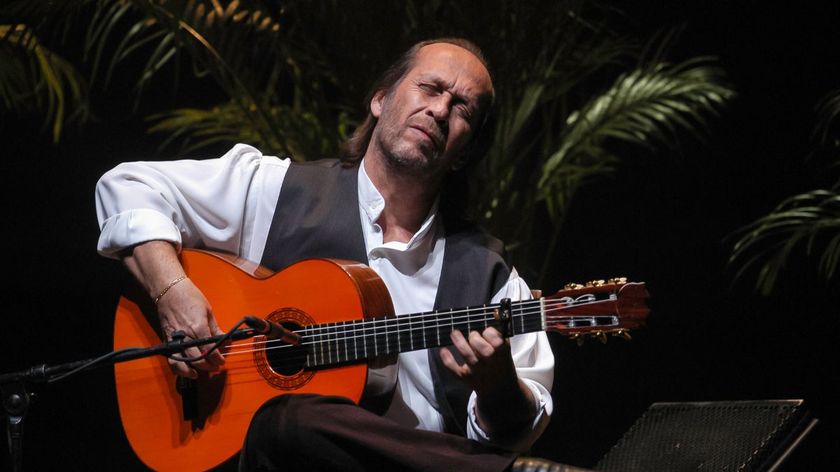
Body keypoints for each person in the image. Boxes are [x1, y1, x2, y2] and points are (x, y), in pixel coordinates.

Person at [96, 38, 555, 471]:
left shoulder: (493, 278)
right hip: (271, 456)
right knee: (286, 424)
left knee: (290, 423)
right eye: (430, 88)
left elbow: (517, 429)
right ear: (380, 101)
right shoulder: (276, 190)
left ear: (464, 152)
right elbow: (129, 186)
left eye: (462, 109)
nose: (438, 110)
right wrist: (171, 291)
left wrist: (498, 390)